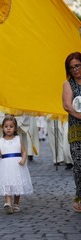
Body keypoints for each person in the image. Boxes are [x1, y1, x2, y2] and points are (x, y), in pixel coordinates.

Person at [0, 115, 33, 214]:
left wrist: (23, 160)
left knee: (17, 184)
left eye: (11, 127)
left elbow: (24, 152)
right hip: (6, 165)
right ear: (3, 128)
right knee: (7, 183)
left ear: (15, 128)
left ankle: (16, 204)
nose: (8, 128)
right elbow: (0, 153)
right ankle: (8, 203)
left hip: (17, 164)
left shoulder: (17, 139)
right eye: (6, 126)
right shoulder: (1, 141)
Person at [62, 51, 81, 212]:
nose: (75, 69)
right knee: (79, 165)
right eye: (72, 67)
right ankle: (80, 197)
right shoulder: (68, 84)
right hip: (76, 131)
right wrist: (80, 116)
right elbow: (67, 106)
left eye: (77, 65)